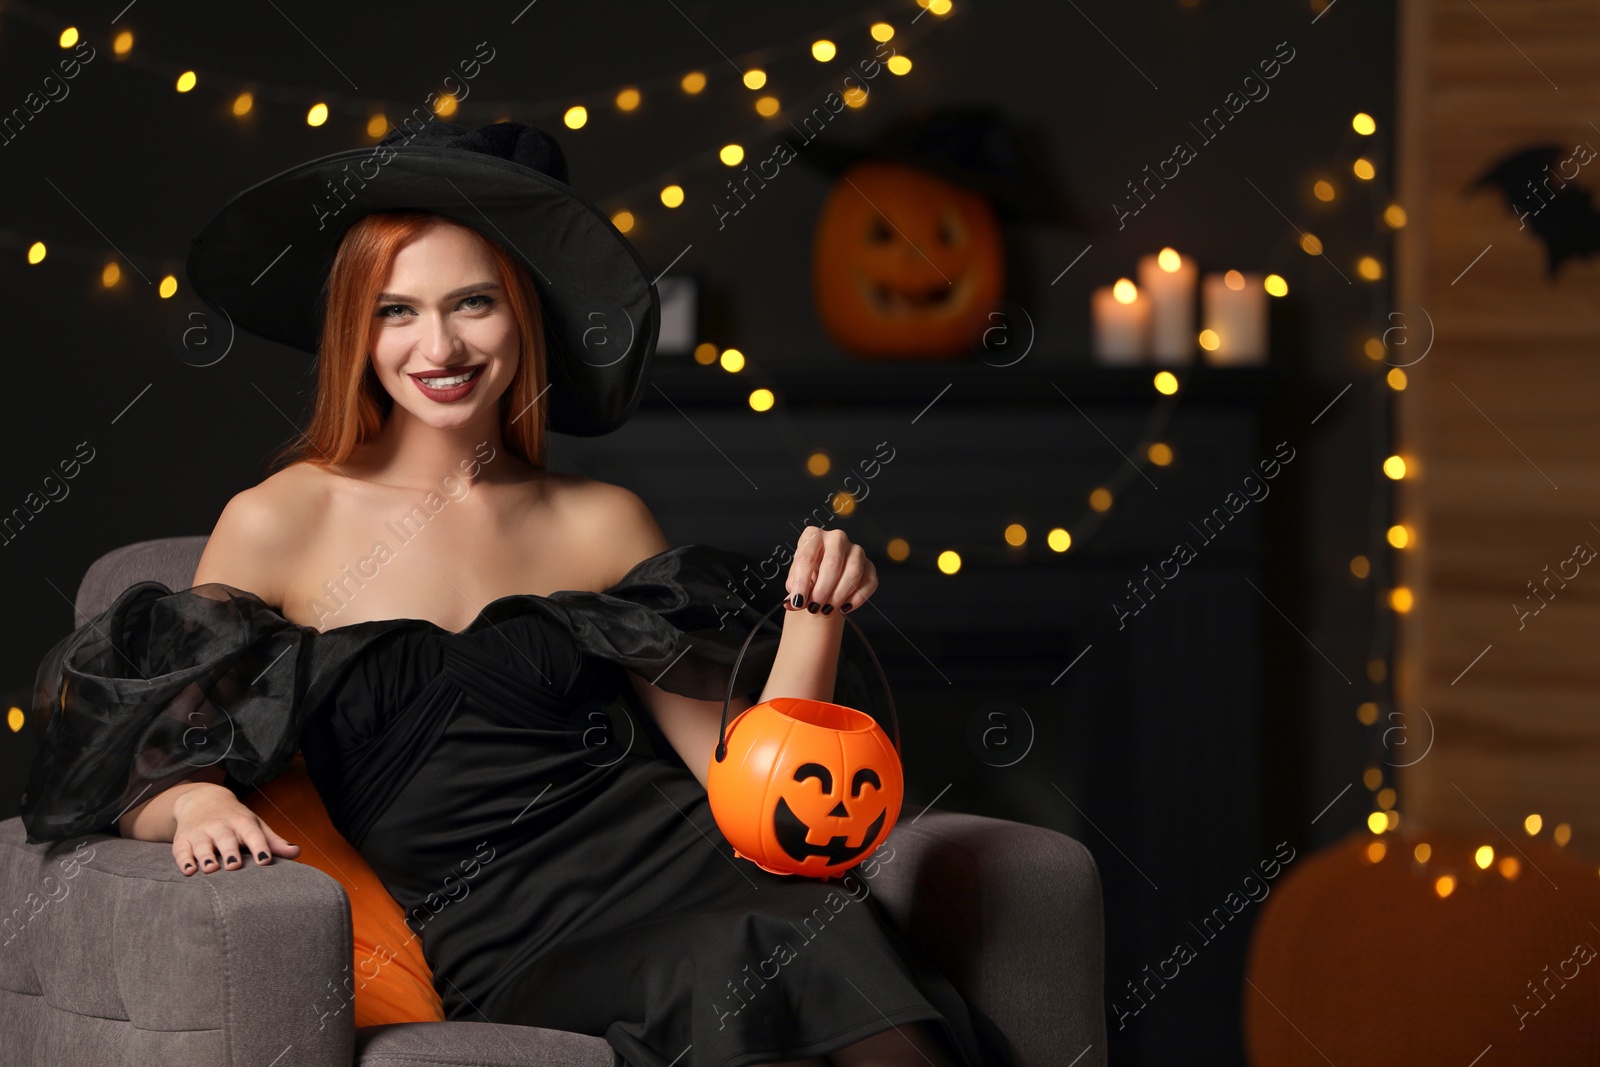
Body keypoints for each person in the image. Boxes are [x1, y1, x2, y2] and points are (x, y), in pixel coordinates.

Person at [19, 121, 1012, 1067]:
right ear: (354, 333)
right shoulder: (281, 521)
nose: (437, 346)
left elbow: (738, 776)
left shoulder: (601, 519)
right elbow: (130, 756)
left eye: (472, 303)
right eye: (395, 311)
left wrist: (815, 616)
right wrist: (192, 801)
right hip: (505, 931)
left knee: (811, 926)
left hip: (684, 864)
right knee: (741, 952)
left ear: (522, 313)